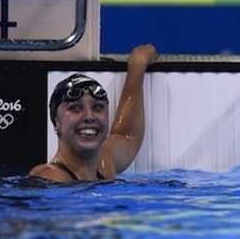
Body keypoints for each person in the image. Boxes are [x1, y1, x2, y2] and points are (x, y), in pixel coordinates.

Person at [28, 44, 158, 182]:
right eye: (75, 108)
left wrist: (137, 66)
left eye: (97, 107)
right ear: (56, 123)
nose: (89, 117)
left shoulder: (104, 164)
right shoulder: (51, 178)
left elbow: (126, 136)